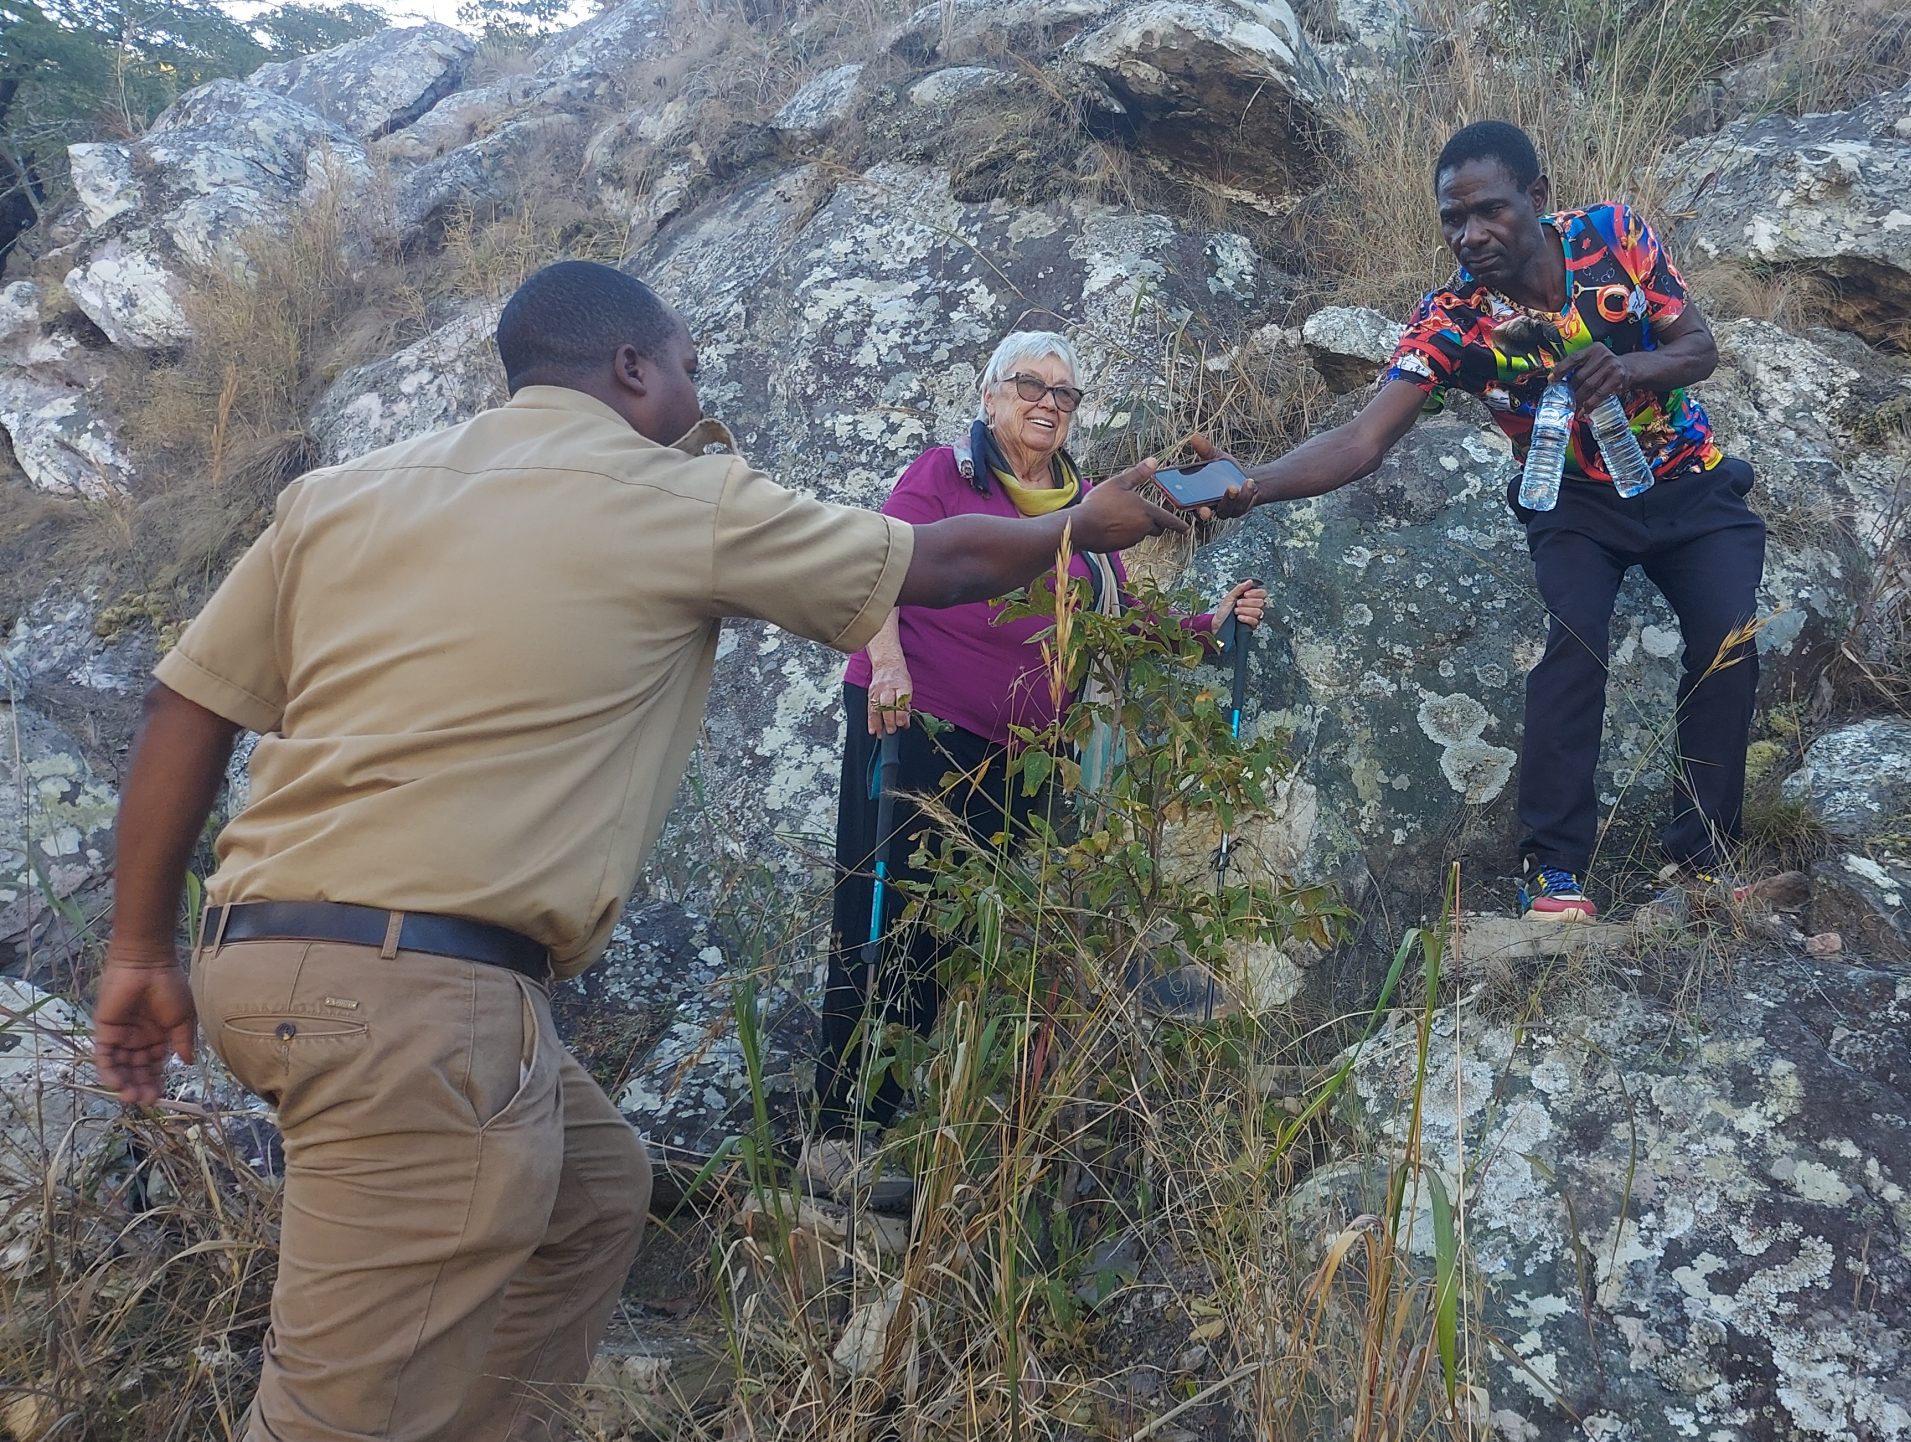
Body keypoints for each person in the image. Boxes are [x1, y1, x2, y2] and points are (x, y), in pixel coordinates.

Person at [87, 260, 1183, 1442]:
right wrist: (1083, 523)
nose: (696, 391)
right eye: (691, 369)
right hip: (418, 998)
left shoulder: (341, 492)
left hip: (257, 955)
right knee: (333, 1411)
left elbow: (184, 705)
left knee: (594, 1193)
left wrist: (139, 943)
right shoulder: (676, 496)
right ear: (631, 369)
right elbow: (939, 567)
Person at [1244, 121, 1765, 920]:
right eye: (1453, 218)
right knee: (1576, 644)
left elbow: (1696, 347)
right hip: (1574, 503)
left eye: (1489, 210)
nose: (1471, 234)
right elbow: (1362, 439)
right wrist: (1251, 485)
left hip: (1685, 481)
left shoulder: (1613, 237)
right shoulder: (1452, 318)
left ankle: (1703, 863)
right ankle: (1552, 871)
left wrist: (1627, 368)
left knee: (1728, 642)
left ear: (1538, 197)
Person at [810, 330, 1266, 1188]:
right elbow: (872, 563)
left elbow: (1118, 624)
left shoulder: (1092, 507)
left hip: (1022, 760)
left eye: (1066, 394)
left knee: (950, 939)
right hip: (914, 724)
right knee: (877, 921)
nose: (1049, 403)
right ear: (989, 396)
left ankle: (904, 1130)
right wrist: (889, 663)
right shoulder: (943, 477)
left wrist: (1210, 625)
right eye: (1031, 386)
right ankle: (835, 1138)